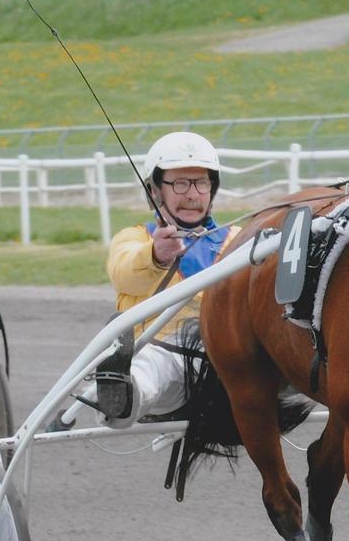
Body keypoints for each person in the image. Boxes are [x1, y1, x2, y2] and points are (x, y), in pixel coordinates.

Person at [89, 131, 240, 427]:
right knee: (152, 367)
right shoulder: (134, 238)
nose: (193, 194)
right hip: (166, 357)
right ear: (155, 191)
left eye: (201, 182)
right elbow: (124, 274)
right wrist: (156, 255)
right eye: (180, 183)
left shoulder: (239, 241)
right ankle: (121, 394)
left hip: (232, 358)